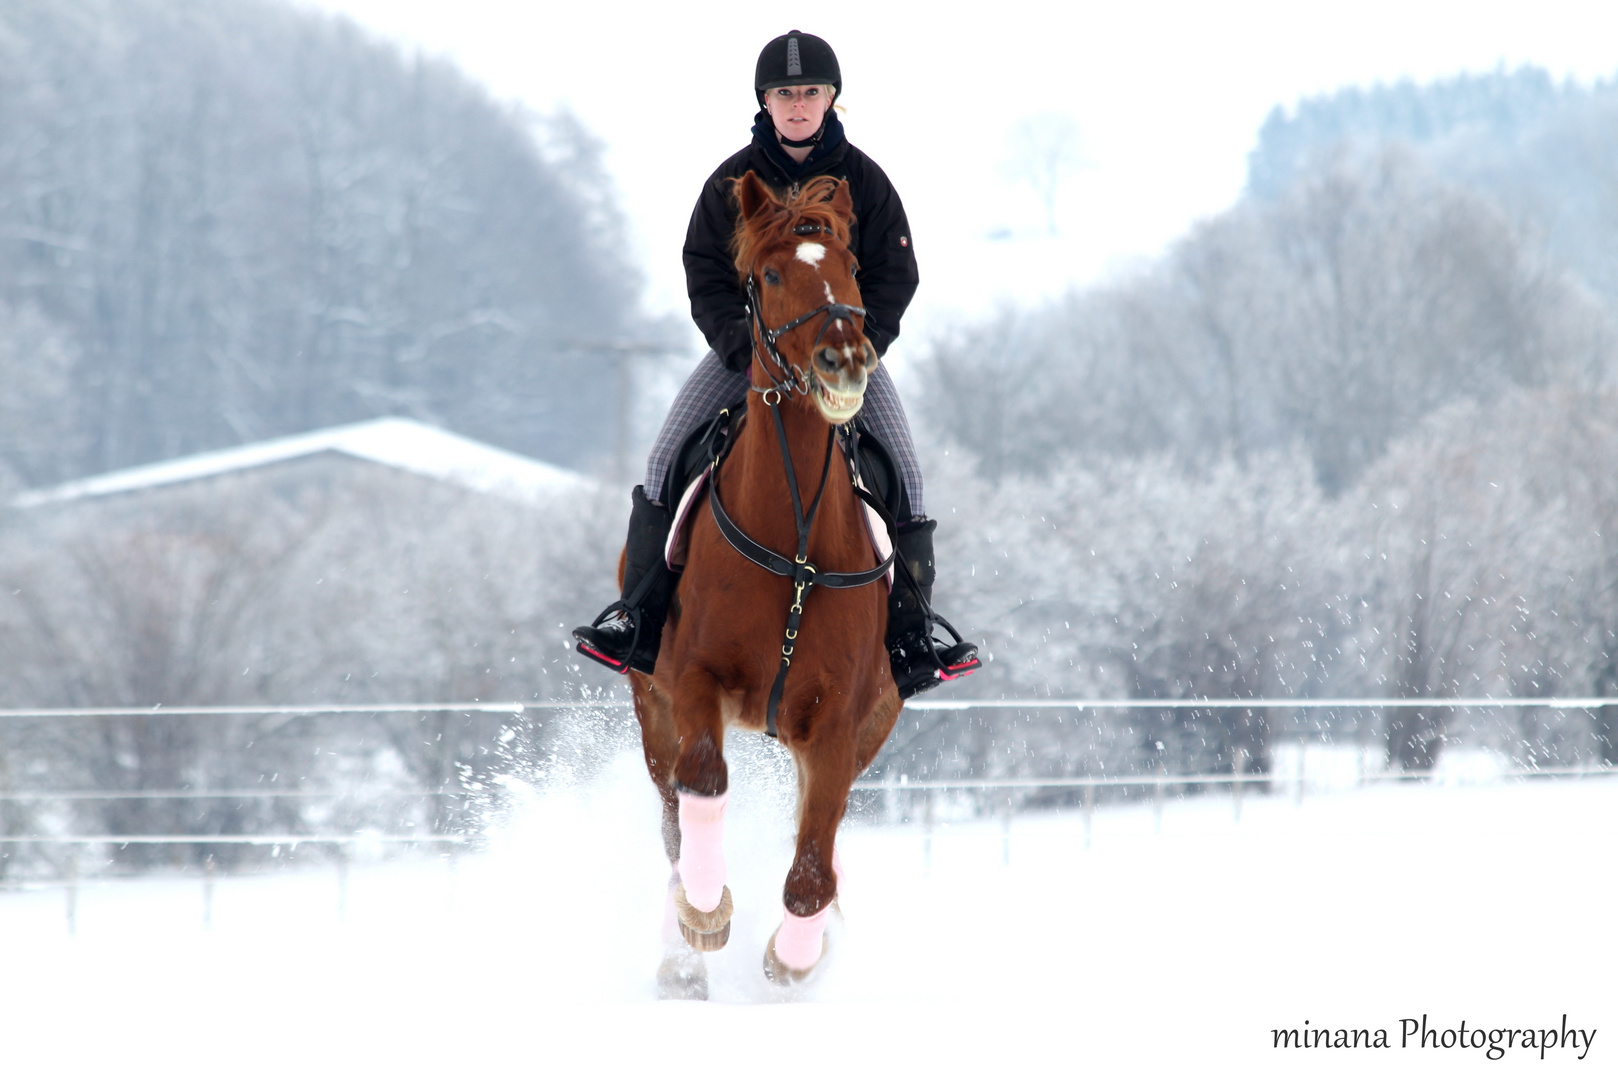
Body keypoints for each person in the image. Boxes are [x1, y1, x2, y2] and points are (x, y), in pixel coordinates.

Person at [574, 30, 979, 699]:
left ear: (831, 100)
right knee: (661, 462)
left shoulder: (867, 182)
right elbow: (704, 272)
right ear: (766, 99)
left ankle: (910, 637)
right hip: (750, 359)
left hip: (843, 359)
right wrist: (741, 348)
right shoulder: (733, 182)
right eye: (786, 93)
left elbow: (895, 274)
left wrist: (860, 346)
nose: (798, 104)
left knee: (907, 475)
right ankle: (639, 623)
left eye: (811, 92)